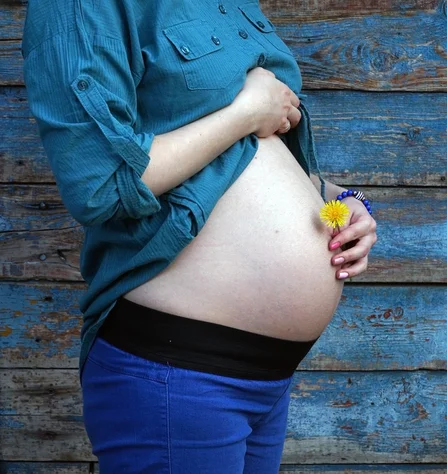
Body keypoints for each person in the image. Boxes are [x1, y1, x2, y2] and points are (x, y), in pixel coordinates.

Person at [22, 0, 377, 472]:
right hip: (178, 372)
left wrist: (341, 199)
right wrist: (246, 111)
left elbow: (241, 159)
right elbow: (101, 184)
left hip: (266, 377)